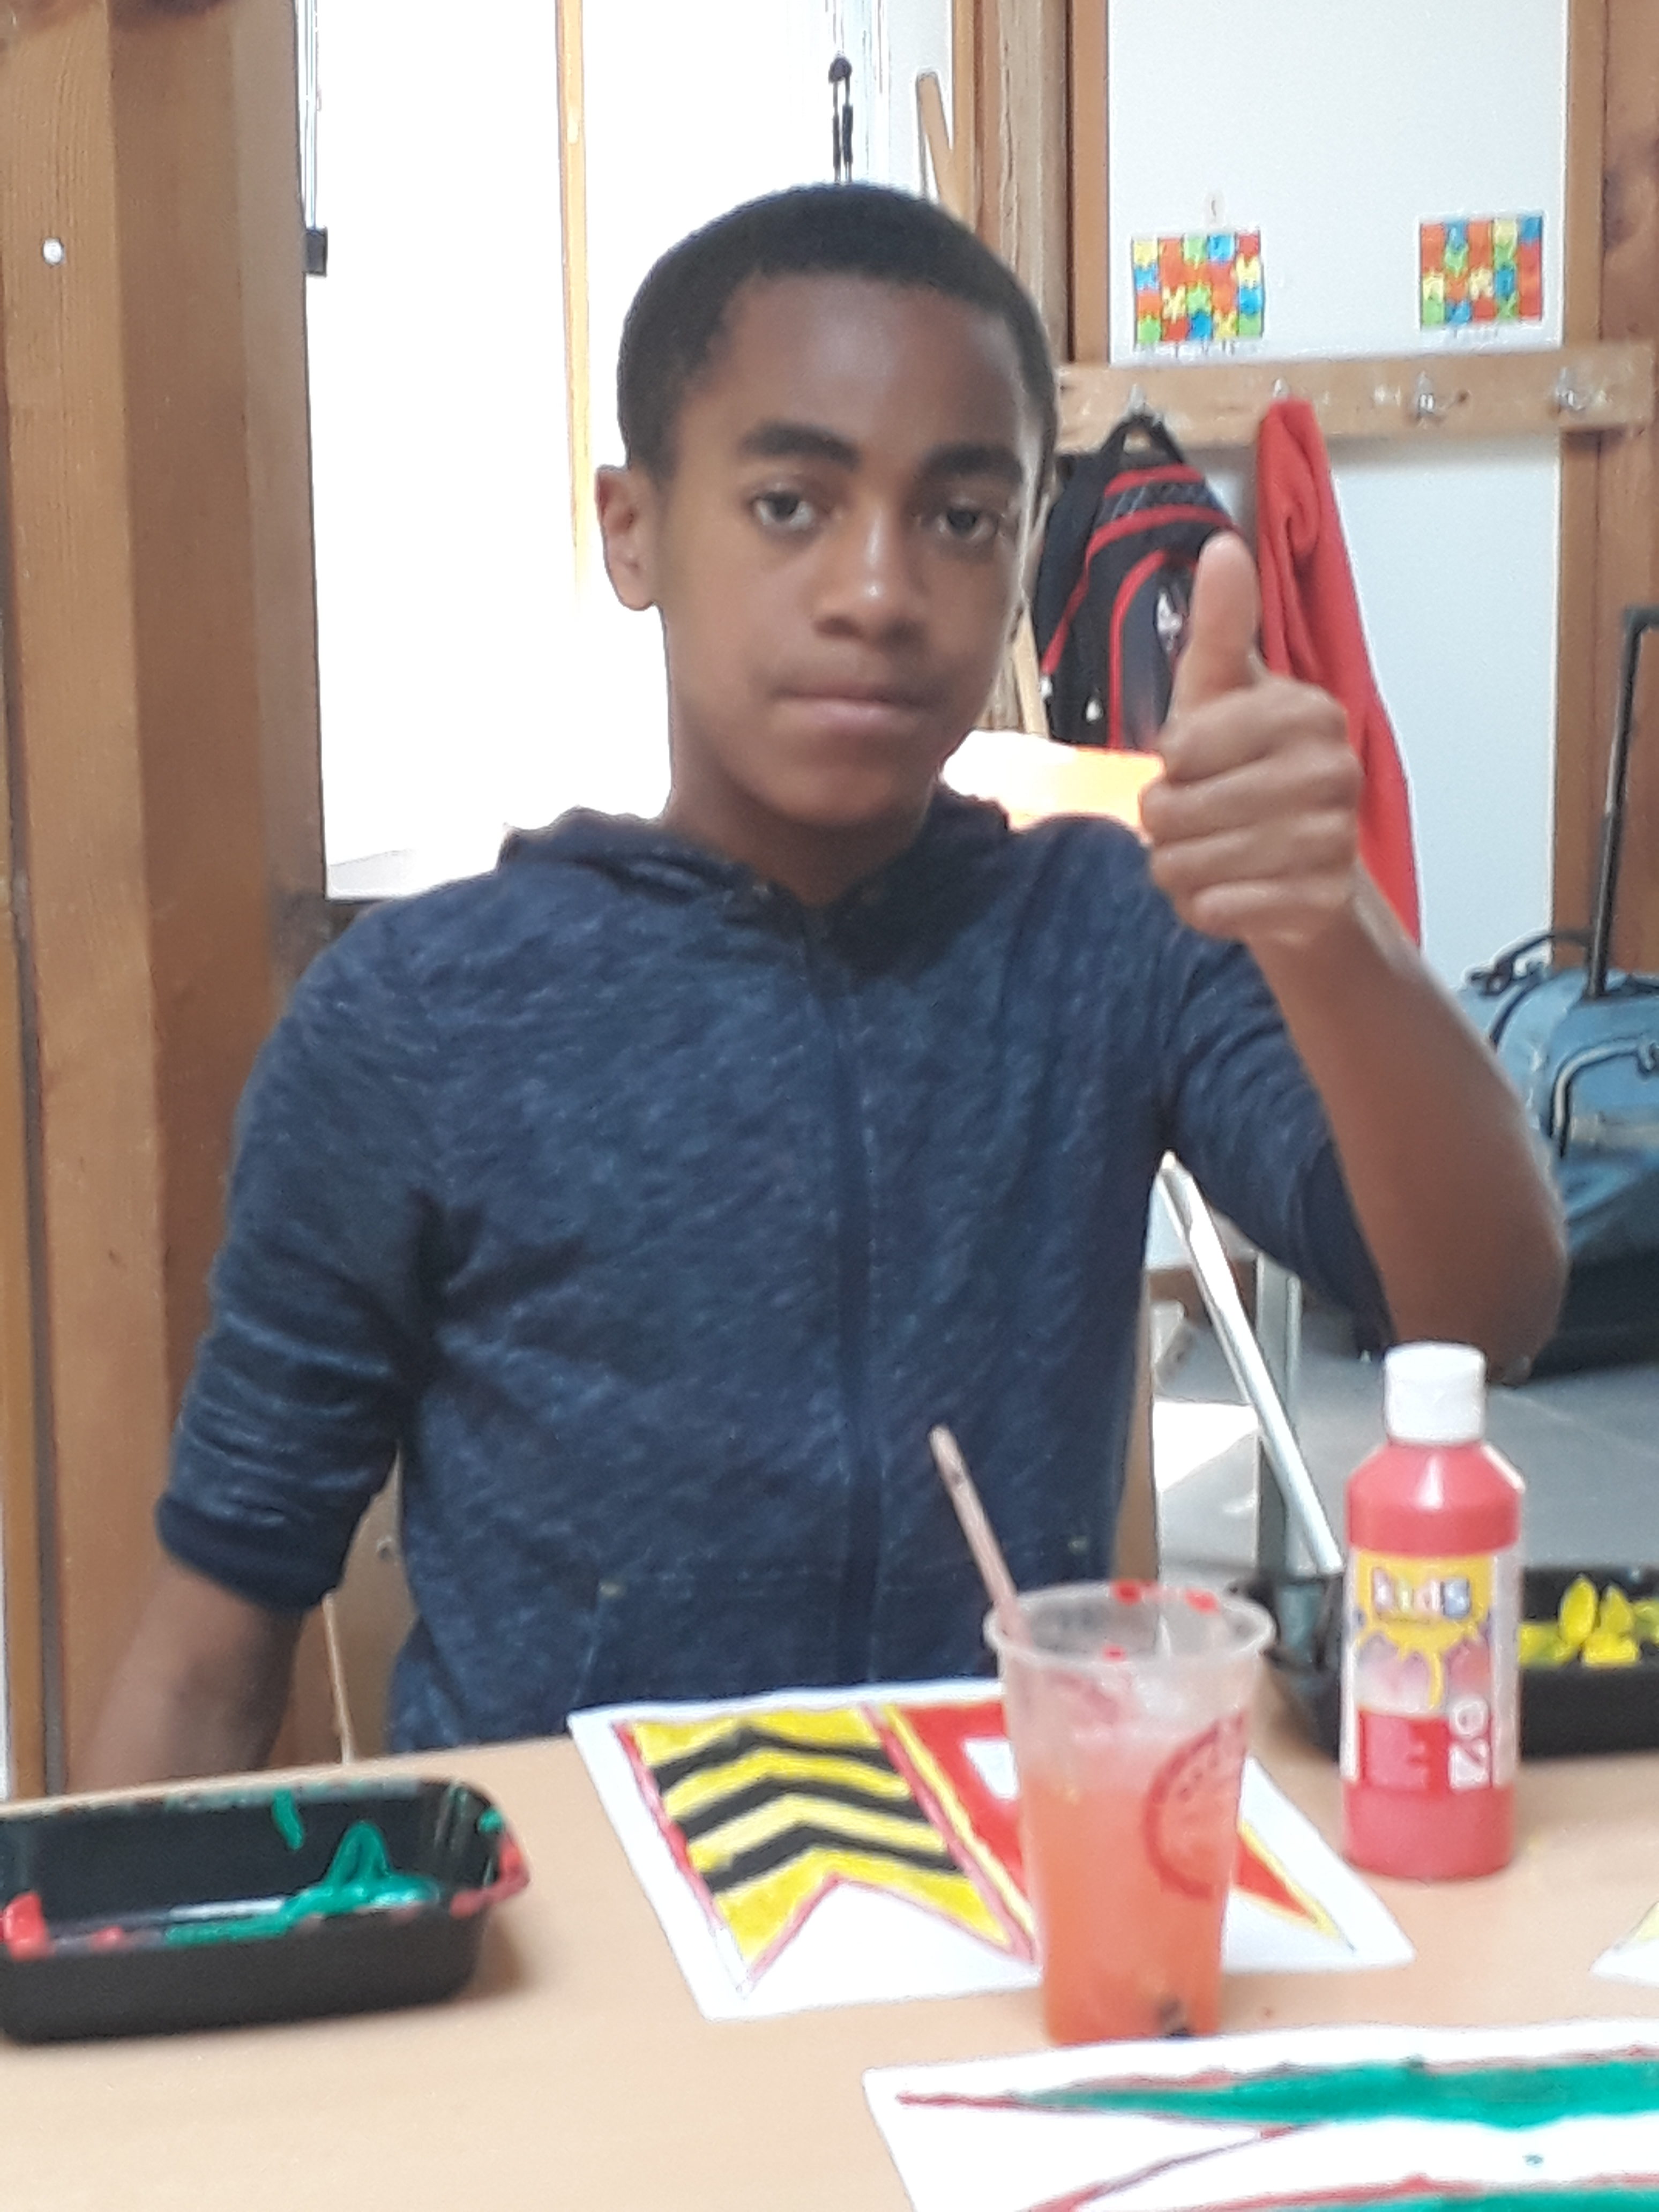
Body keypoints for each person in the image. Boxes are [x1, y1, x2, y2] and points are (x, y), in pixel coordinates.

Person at [82, 184, 1565, 1787]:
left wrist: (1328, 925)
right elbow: (211, 1647)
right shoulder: (416, 1022)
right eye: (791, 504)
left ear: (1023, 556)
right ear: (633, 530)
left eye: (962, 518)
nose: (878, 590)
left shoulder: (1109, 935)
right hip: (575, 1904)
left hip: (1011, 1865)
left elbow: (1481, 1311)